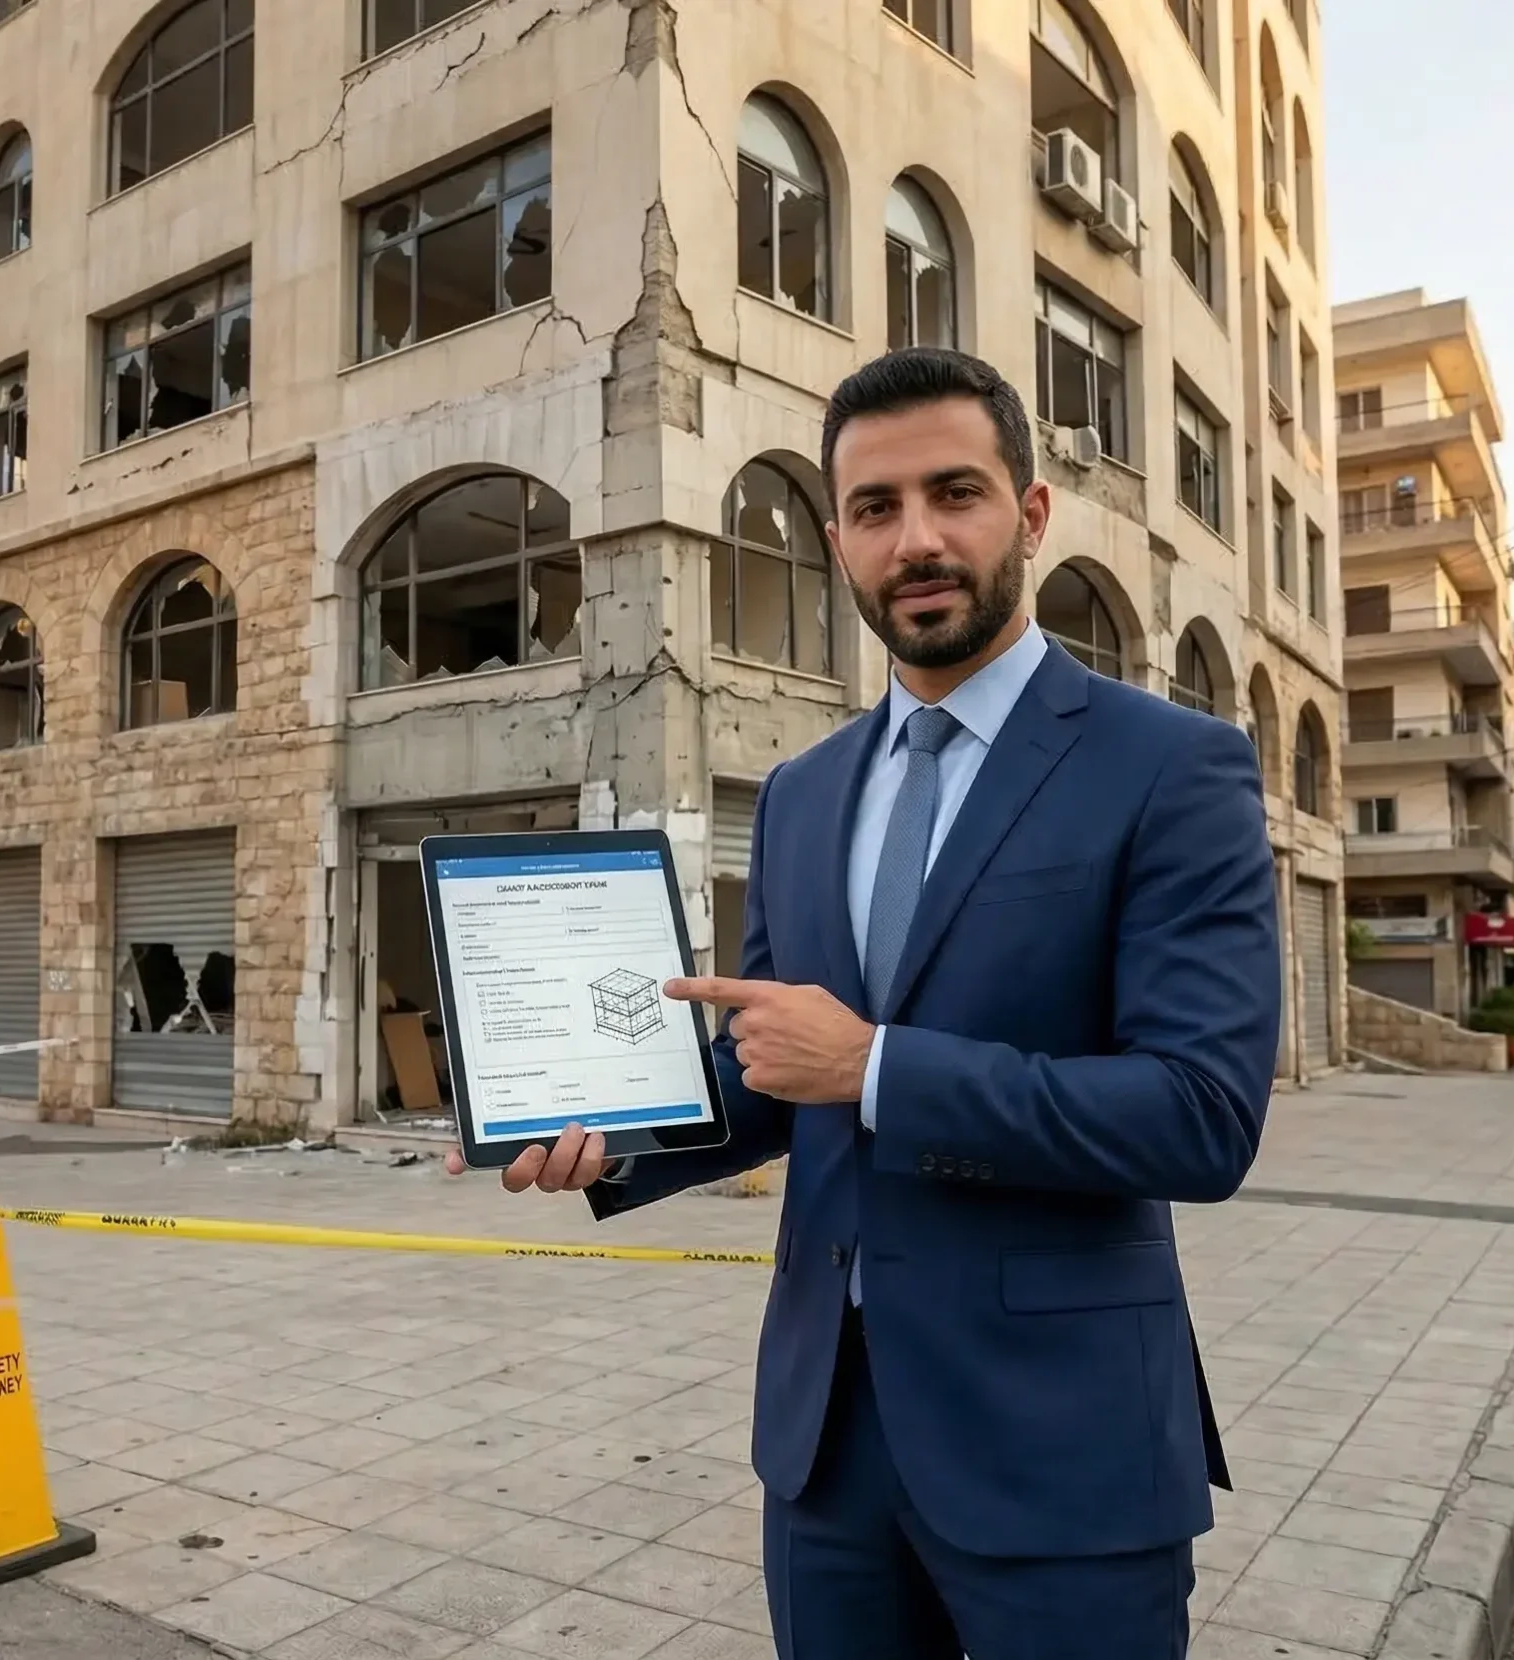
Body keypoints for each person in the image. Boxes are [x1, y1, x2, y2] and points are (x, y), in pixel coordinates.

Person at [450, 348, 1280, 1659]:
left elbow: (1198, 1115)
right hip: (824, 1448)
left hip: (1058, 1450)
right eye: (877, 510)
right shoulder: (801, 791)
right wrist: (613, 1129)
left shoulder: (1171, 767)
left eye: (955, 493)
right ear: (836, 539)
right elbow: (775, 1065)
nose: (919, 540)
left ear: (1031, 511)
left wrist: (881, 1066)